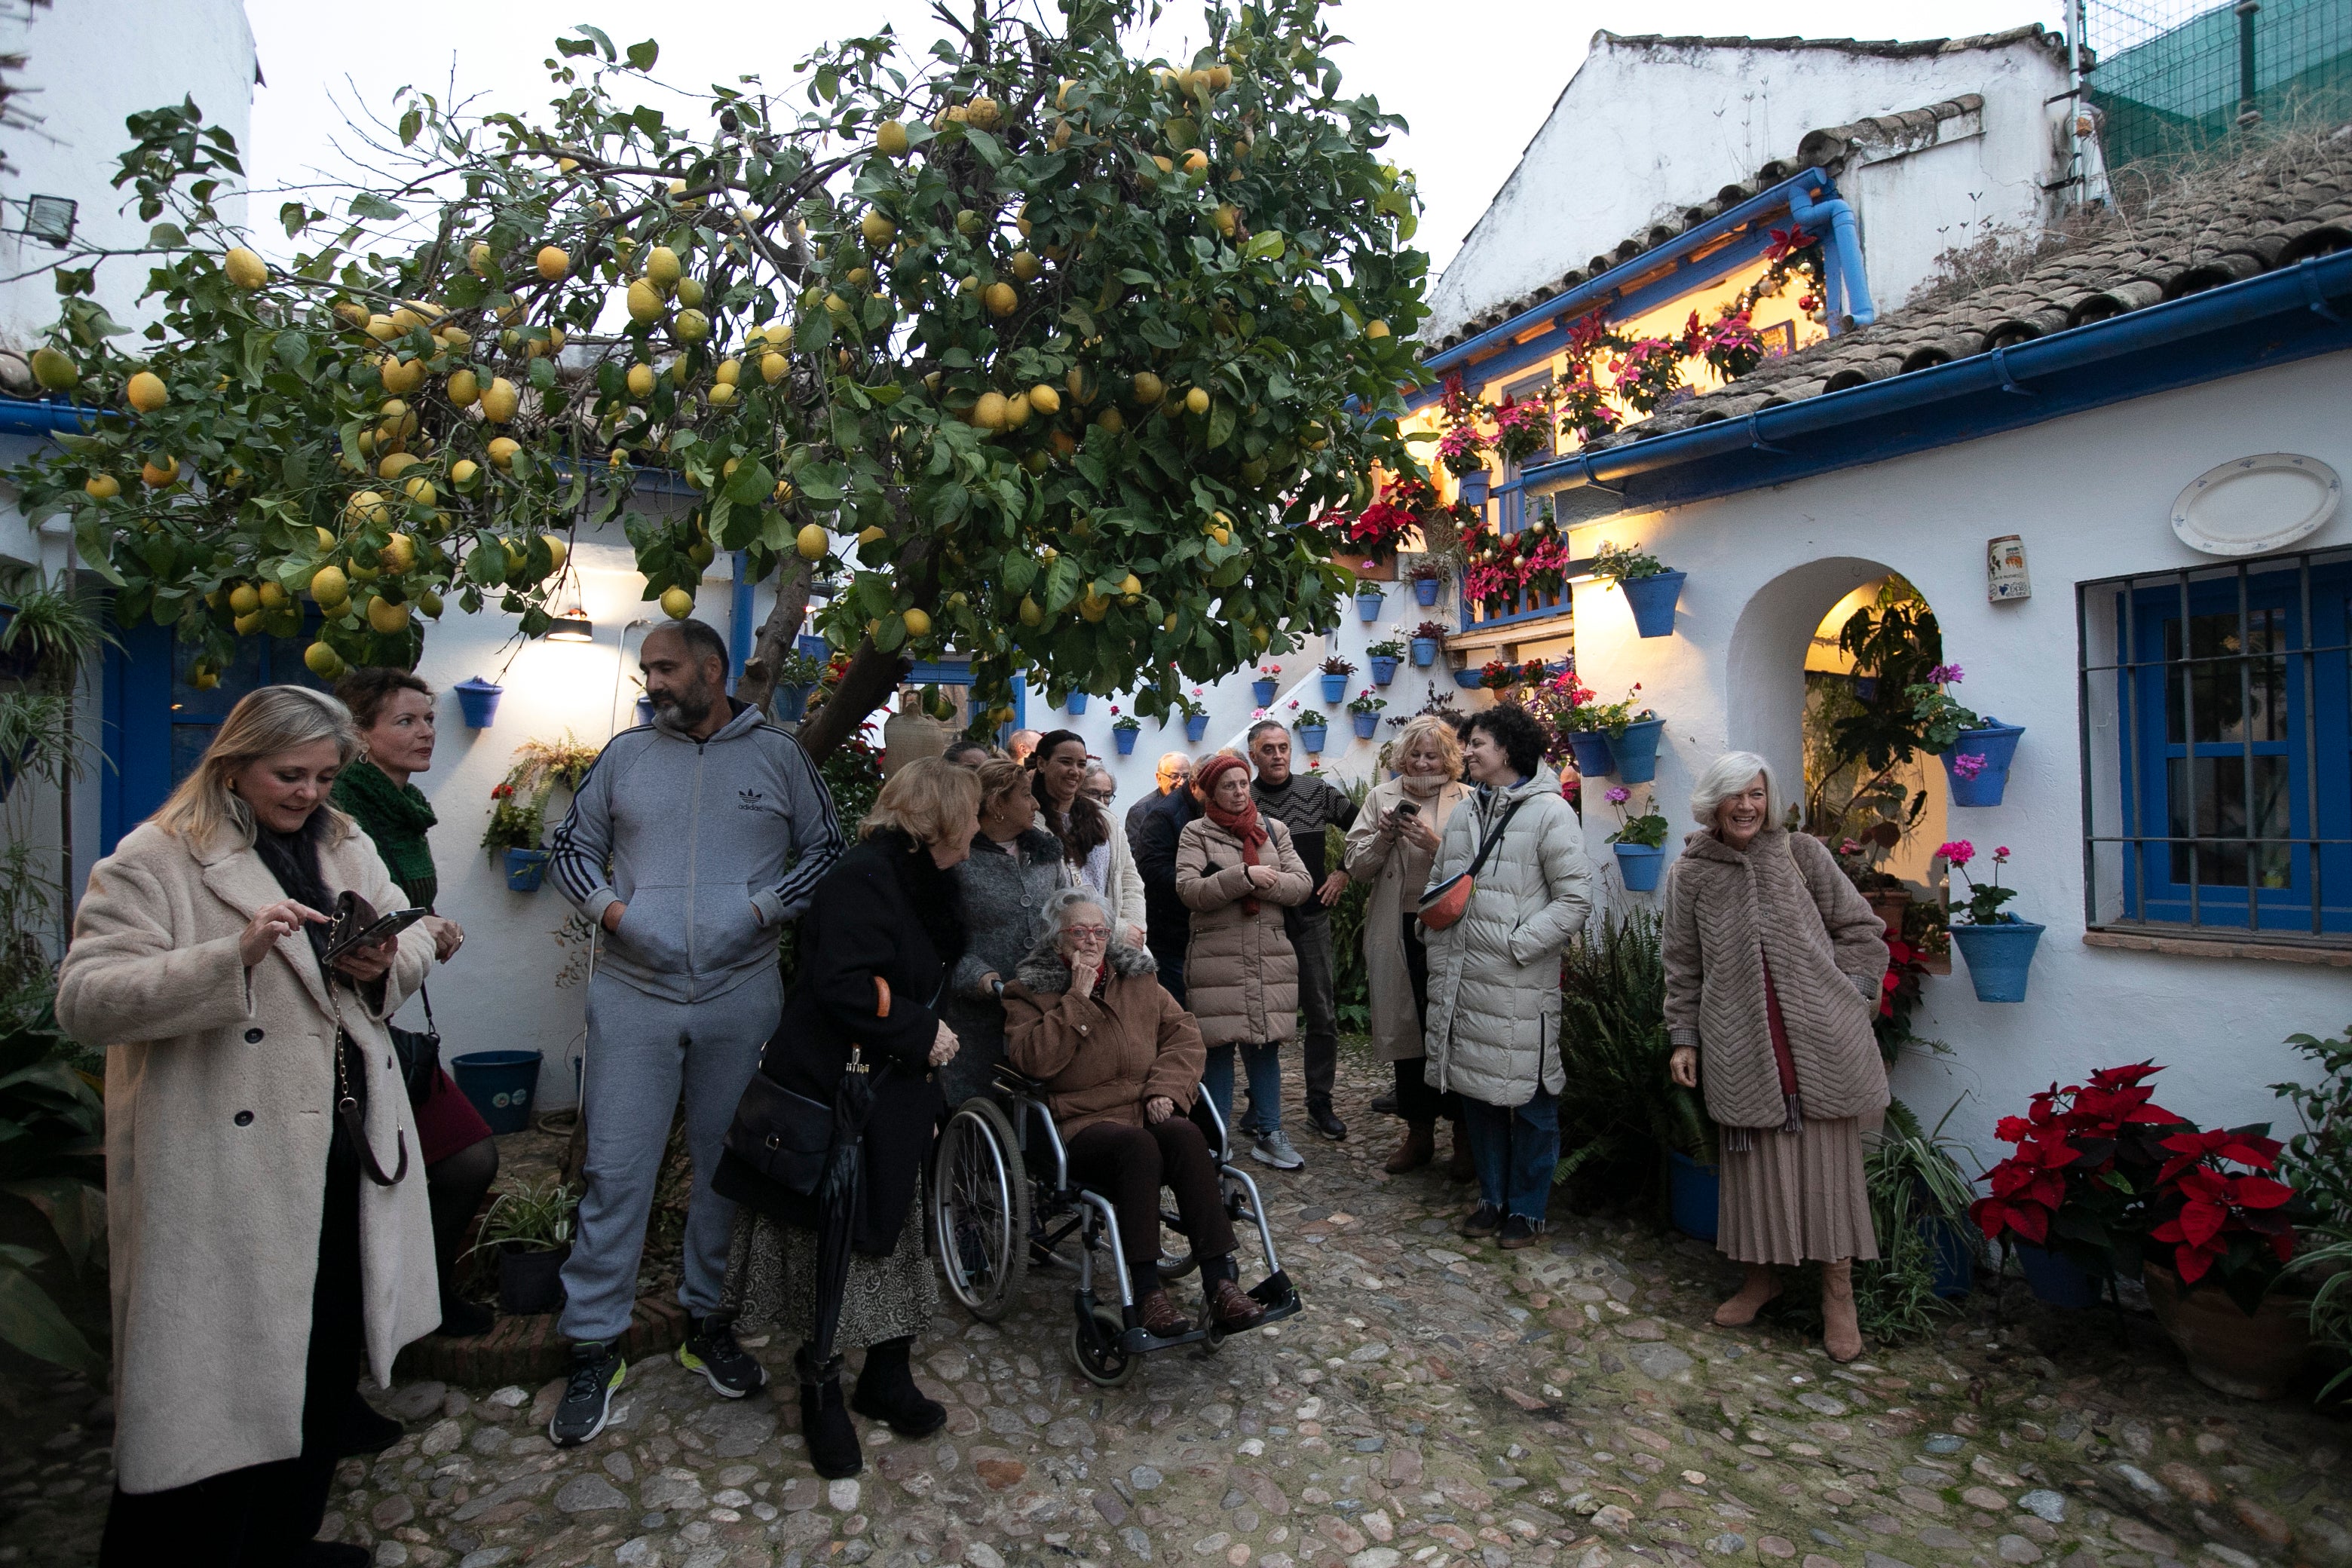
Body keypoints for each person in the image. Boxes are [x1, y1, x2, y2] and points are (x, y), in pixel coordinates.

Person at [59, 685, 436, 1568]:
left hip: (342, 1141)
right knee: (212, 1386)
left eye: (325, 775)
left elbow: (408, 938)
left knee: (321, 1353)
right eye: (289, 775)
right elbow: (84, 1000)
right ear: (233, 765)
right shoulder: (158, 856)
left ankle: (281, 1541)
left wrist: (385, 958)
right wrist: (232, 957)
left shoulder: (346, 840)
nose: (309, 793)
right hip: (225, 1165)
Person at [544, 618, 845, 1446]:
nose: (654, 682)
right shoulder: (626, 757)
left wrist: (761, 909)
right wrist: (614, 911)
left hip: (740, 991)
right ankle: (593, 1342)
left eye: (667, 668)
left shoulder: (781, 758)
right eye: (648, 670)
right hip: (633, 993)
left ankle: (705, 1322)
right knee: (615, 1166)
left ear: (712, 669)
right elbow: (570, 848)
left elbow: (826, 851)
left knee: (726, 1164)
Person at [714, 757, 978, 1480]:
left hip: (898, 1093)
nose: (980, 827)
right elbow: (840, 984)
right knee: (834, 1244)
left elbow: (921, 976)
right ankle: (820, 1386)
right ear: (942, 820)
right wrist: (920, 1032)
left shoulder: (927, 880)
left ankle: (884, 1377)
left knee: (897, 1235)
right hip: (845, 1093)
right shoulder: (863, 875)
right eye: (972, 814)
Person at [1664, 752, 1888, 1362]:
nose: (1746, 806)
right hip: (1741, 1043)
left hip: (1820, 1038)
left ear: (1770, 800)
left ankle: (1837, 1293)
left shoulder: (1802, 854)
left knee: (1828, 1168)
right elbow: (1682, 965)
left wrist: (1855, 993)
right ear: (1712, 802)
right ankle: (1762, 1279)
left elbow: (1861, 929)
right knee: (1755, 1164)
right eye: (1734, 796)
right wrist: (1684, 1036)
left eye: (1757, 795)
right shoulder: (1691, 873)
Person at [1004, 891, 1267, 1337]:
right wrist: (1077, 999)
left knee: (1185, 1136)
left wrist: (1164, 1088)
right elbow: (1033, 1061)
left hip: (1145, 1106)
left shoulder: (1139, 980)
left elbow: (1184, 1035)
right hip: (1081, 1121)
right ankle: (1146, 1294)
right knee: (1139, 1147)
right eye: (1078, 932)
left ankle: (1221, 1282)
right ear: (1056, 940)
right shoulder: (1029, 992)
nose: (1091, 941)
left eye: (1100, 932)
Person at [331, 668, 499, 1346]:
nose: (426, 731)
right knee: (442, 1165)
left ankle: (421, 1302)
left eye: (428, 718)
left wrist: (433, 929)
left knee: (466, 1157)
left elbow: (404, 912)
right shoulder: (345, 811)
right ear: (359, 737)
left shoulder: (404, 809)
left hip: (388, 1013)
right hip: (342, 1028)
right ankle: (382, 1321)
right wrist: (421, 932)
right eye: (406, 721)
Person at [1423, 703, 1592, 1249]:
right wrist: (1435, 937)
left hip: (1519, 986)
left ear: (1509, 751)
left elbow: (1575, 900)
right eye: (1468, 742)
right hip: (1466, 982)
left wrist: (1517, 946)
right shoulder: (1468, 811)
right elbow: (1439, 882)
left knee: (1532, 1103)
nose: (1467, 751)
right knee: (1480, 1096)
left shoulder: (1551, 814)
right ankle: (1492, 1199)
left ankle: (1528, 1210)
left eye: (1478, 743)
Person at [1344, 715, 1475, 1180]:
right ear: (1401, 757)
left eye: (1432, 754)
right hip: (1397, 927)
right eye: (1414, 754)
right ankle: (1418, 1135)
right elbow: (1356, 865)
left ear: (1449, 758)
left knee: (1455, 1031)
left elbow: (1482, 866)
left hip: (1450, 928)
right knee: (1408, 1032)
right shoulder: (1382, 797)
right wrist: (1383, 836)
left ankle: (1465, 1138)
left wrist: (1436, 845)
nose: (1422, 762)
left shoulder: (1468, 799)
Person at [1177, 753, 1313, 1171]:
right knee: (1217, 1047)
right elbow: (1188, 889)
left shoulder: (1273, 829)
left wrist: (1262, 883)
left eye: (1243, 784)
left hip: (1268, 953)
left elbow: (1303, 884)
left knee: (1266, 1044)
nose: (1238, 792)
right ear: (1210, 792)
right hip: (1217, 956)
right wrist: (1243, 878)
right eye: (1228, 786)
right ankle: (1215, 1140)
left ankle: (1271, 1133)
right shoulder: (1196, 832)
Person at [1248, 721, 1358, 1142]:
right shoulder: (1245, 796)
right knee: (1261, 1011)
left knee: (1322, 1012)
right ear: (1254, 755)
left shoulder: (1317, 793)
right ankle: (1260, 1102)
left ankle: (1319, 1103)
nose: (1277, 756)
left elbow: (1364, 828)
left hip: (1311, 917)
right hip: (1262, 920)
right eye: (1268, 749)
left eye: (1283, 748)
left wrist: (1345, 872)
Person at [941, 758, 1071, 1106]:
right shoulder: (958, 859)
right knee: (979, 1103)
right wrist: (977, 976)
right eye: (1026, 795)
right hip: (978, 1013)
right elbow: (937, 938)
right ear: (997, 803)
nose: (1037, 804)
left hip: (1044, 1005)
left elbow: (1068, 915)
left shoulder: (1046, 854)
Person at [1028, 729, 1147, 947]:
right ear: (1042, 764)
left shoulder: (1103, 818)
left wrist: (1133, 928)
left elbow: (1129, 879)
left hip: (1113, 947)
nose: (1074, 771)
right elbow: (1043, 897)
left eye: (1081, 764)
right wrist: (1116, 931)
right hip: (1059, 947)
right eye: (1066, 762)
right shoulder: (1029, 821)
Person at [1131, 752, 1205, 1003]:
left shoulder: (1204, 809)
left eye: (1185, 776)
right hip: (1169, 927)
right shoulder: (1151, 813)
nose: (1179, 782)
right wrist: (1201, 883)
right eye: (1174, 776)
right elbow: (1144, 868)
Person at [1126, 751, 1194, 854]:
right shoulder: (1141, 811)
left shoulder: (1195, 805)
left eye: (1186, 776)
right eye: (1174, 776)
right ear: (1159, 778)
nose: (1181, 783)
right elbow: (1135, 855)